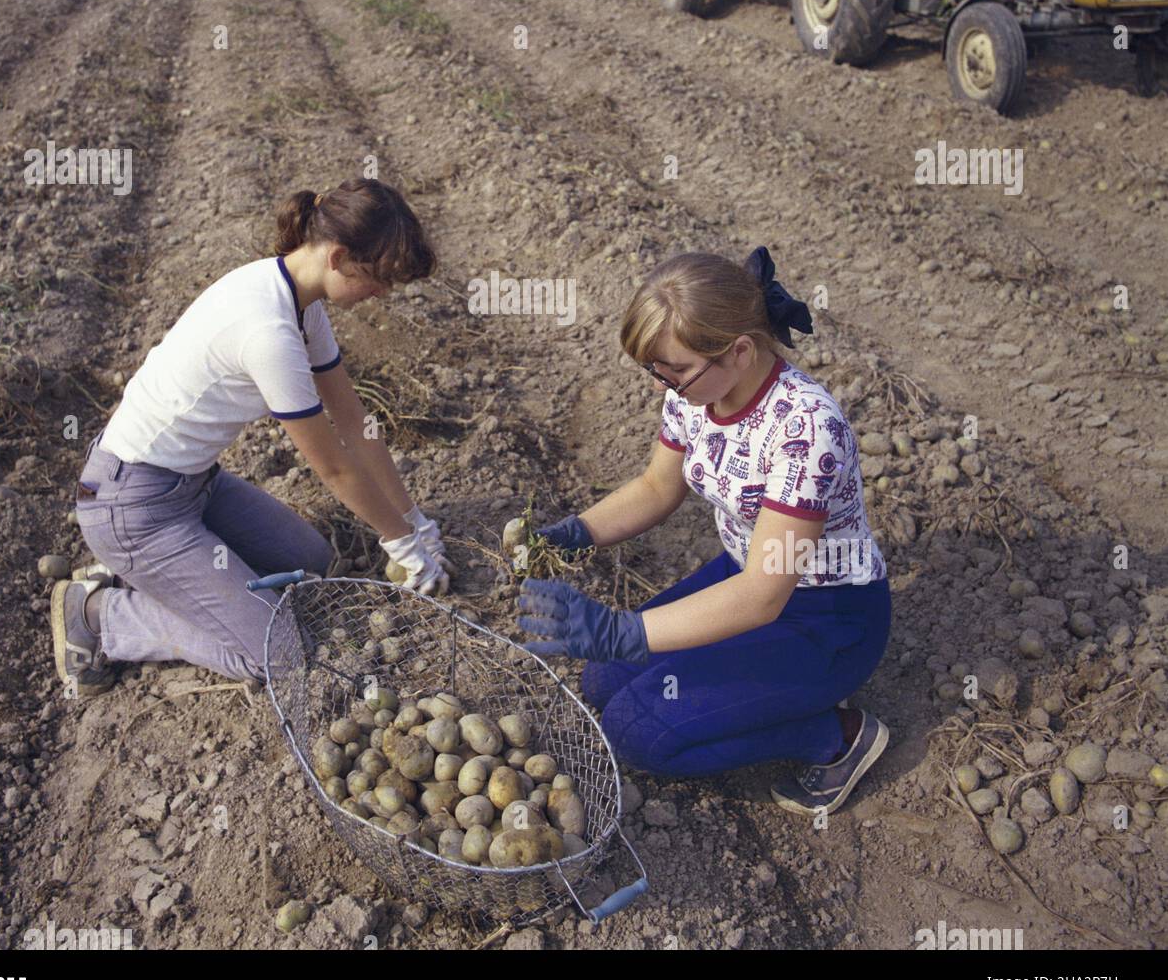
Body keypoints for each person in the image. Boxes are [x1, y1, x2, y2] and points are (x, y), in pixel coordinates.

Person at [518, 249, 891, 816]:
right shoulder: (697, 395)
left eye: (673, 371)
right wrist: (573, 534)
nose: (662, 386)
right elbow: (655, 489)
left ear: (740, 350)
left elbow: (762, 597)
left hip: (823, 619)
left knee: (636, 729)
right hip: (742, 577)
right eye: (654, 371)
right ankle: (761, 696)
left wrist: (625, 630)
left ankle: (834, 736)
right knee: (602, 682)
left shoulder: (805, 430)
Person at [53, 181, 450, 698]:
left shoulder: (301, 304)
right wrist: (400, 542)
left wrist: (413, 520)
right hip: (133, 508)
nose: (382, 295)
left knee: (311, 566)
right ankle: (100, 615)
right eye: (379, 280)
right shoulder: (268, 332)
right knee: (279, 652)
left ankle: (173, 578)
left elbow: (355, 424)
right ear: (341, 257)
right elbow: (334, 466)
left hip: (193, 487)